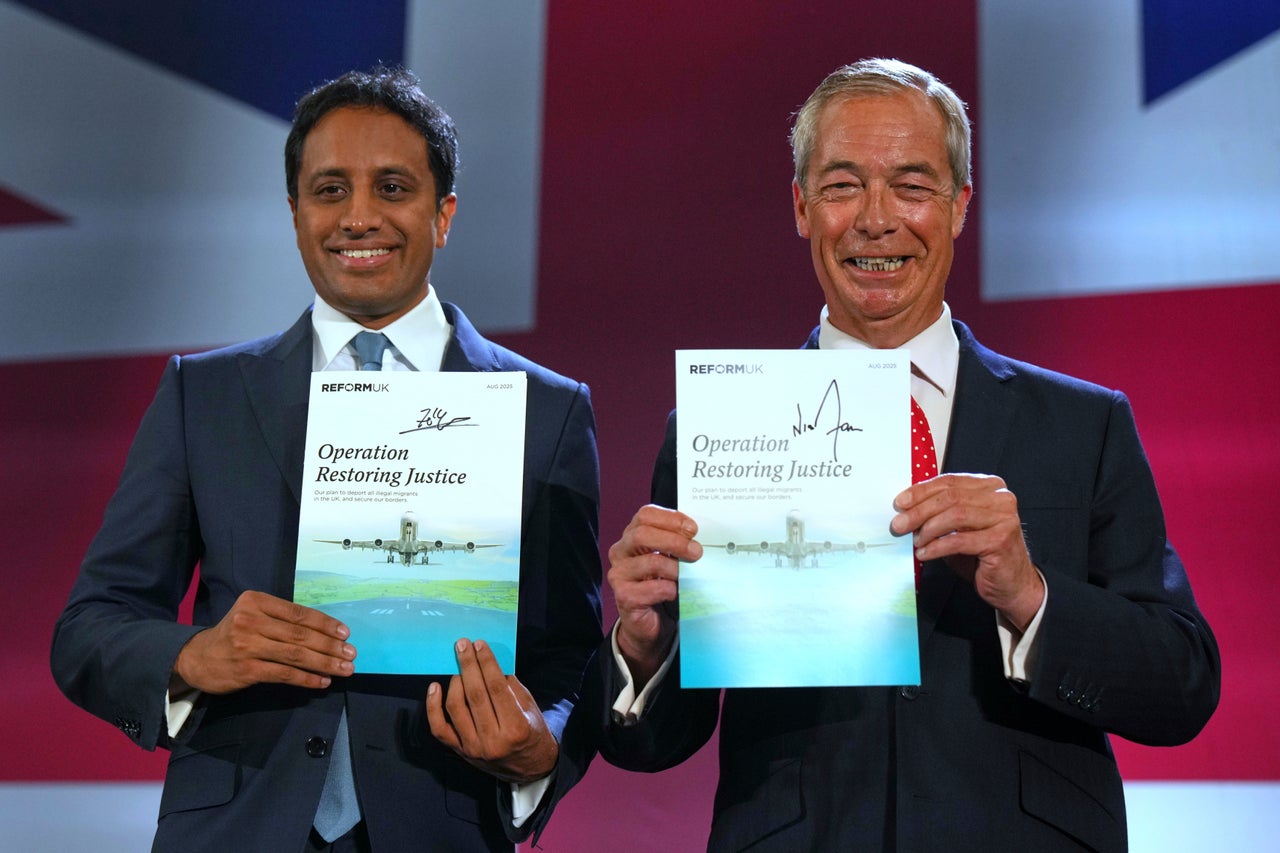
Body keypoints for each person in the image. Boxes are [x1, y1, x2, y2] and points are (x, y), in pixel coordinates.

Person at [599, 58, 1219, 852]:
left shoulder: (1083, 424)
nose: (876, 219)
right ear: (801, 207)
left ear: (960, 206)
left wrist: (1029, 595)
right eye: (843, 186)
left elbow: (1182, 685)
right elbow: (652, 744)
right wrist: (645, 646)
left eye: (912, 186)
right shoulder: (714, 431)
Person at [51, 67, 602, 852]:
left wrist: (539, 747)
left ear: (443, 214)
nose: (359, 216)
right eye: (330, 190)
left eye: (393, 187)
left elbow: (570, 658)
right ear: (295, 212)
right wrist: (197, 654)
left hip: (440, 826)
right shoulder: (202, 394)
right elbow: (89, 628)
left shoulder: (546, 409)